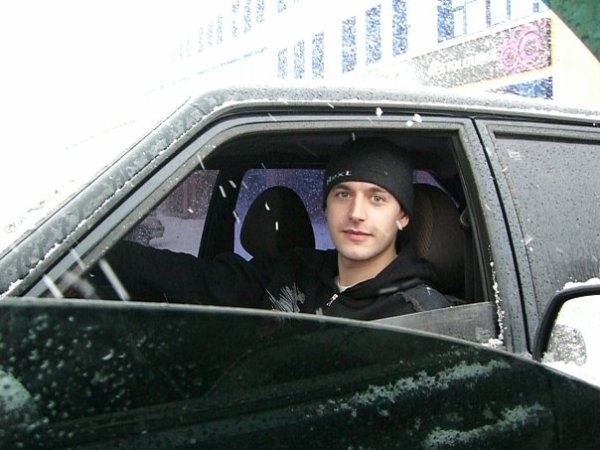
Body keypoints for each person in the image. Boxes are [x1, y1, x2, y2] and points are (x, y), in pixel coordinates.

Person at [105, 138, 450, 320]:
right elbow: (198, 280)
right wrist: (103, 254)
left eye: (377, 199)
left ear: (402, 217)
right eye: (343, 194)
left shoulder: (421, 314)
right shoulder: (295, 269)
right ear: (326, 207)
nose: (356, 213)